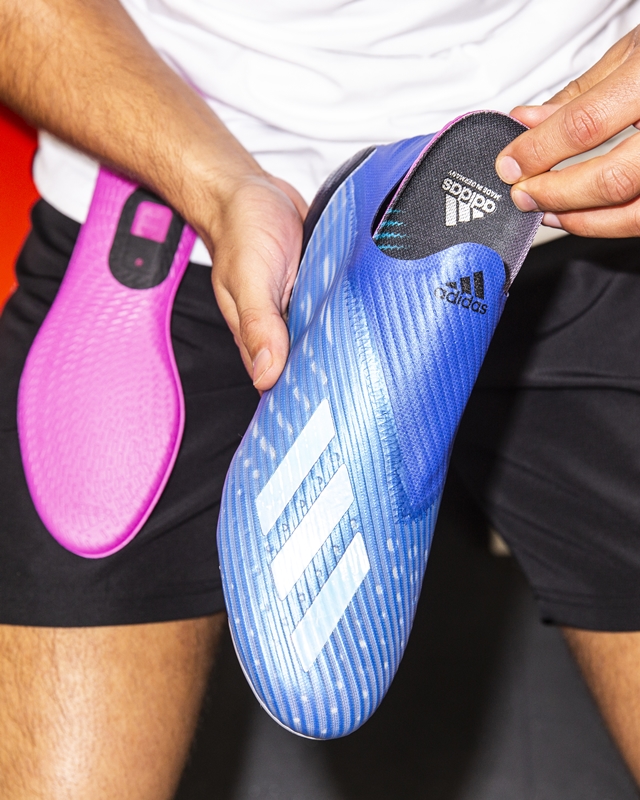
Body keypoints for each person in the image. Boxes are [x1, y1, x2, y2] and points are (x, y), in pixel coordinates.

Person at [1, 0, 640, 796]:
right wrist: (218, 186)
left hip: (589, 188)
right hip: (172, 172)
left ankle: (402, 280)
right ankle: (398, 281)